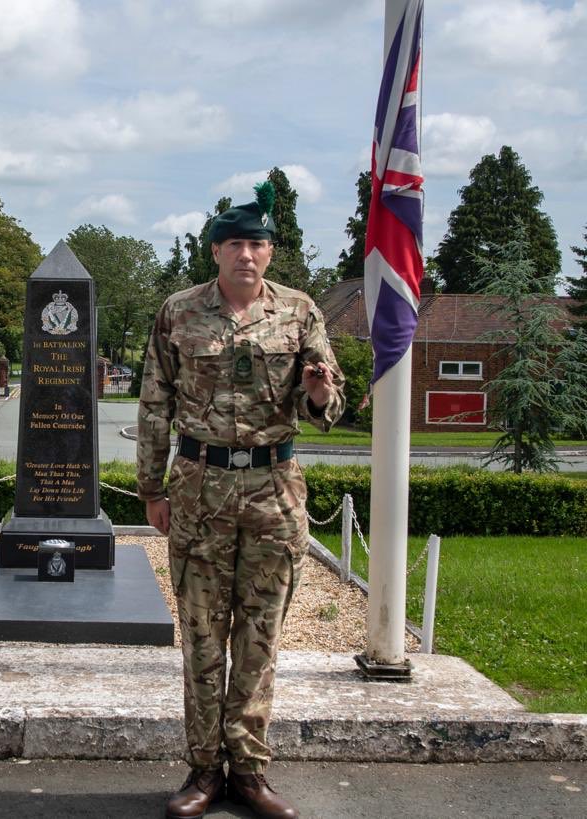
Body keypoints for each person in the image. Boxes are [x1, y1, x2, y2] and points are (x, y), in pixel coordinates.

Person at [137, 181, 345, 819]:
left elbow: (331, 411)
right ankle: (202, 772)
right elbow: (155, 404)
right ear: (215, 251)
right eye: (234, 244)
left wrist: (315, 392)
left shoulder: (302, 313)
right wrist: (150, 487)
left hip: (272, 493)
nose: (246, 254)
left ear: (271, 253)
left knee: (258, 641)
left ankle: (249, 773)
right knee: (202, 640)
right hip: (199, 490)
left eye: (257, 244)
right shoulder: (179, 311)